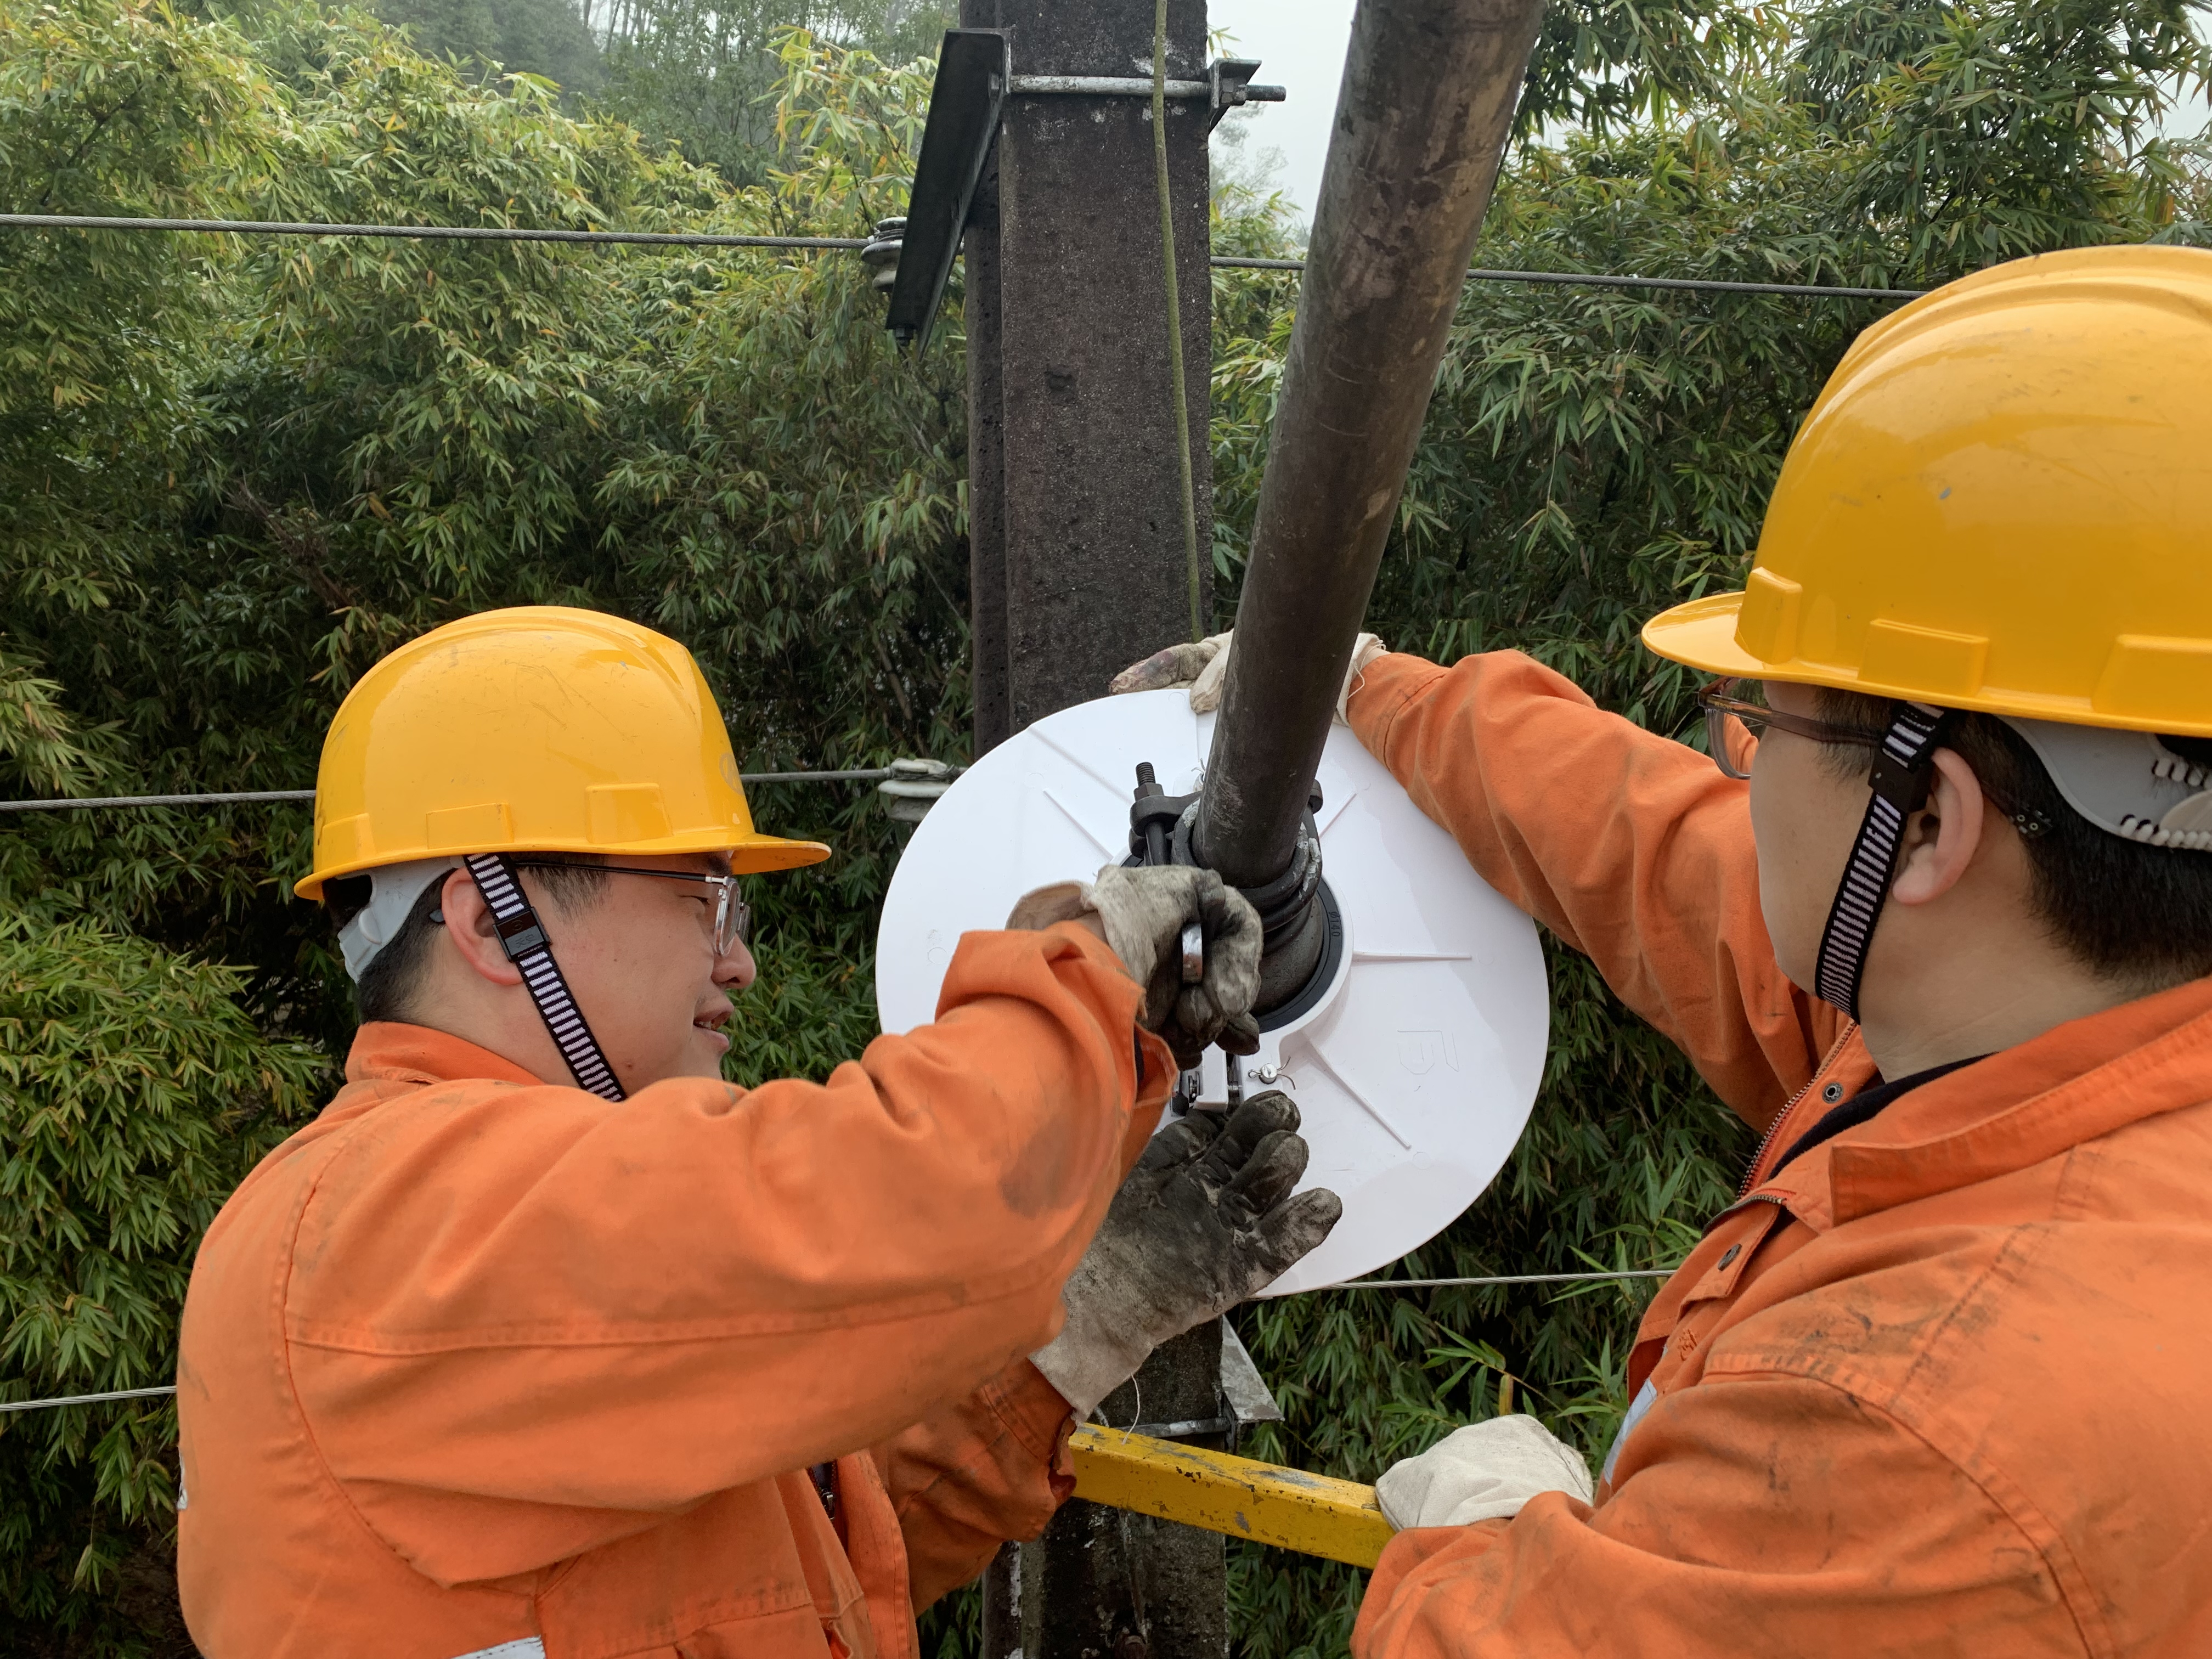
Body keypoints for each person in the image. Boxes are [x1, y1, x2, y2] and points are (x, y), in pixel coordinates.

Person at [1115, 244, 2212, 1654]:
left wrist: (1487, 1552)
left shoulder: (1917, 1432)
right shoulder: (2020, 1026)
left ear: (1929, 822)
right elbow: (1648, 845)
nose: (1738, 763)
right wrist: (1376, 689)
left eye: (1768, 713)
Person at [177, 605, 1341, 1658]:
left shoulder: (450, 1236)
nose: (735, 957)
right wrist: (1086, 961)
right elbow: (918, 1195)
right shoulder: (388, 1220)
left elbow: (806, 1565)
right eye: (703, 896)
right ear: (495, 920)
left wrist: (1071, 1336)